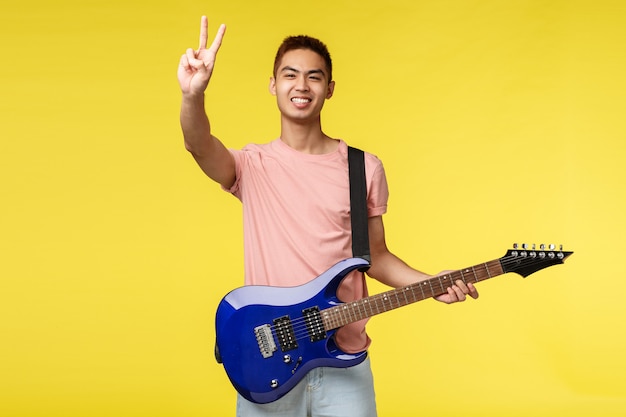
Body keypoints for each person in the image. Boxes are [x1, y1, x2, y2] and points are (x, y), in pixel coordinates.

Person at [177, 15, 479, 417]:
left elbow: (377, 256)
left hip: (344, 361)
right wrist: (192, 95)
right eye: (290, 75)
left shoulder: (363, 168)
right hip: (268, 361)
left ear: (329, 89)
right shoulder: (252, 165)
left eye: (314, 77)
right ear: (273, 85)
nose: (301, 86)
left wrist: (431, 284)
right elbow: (198, 145)